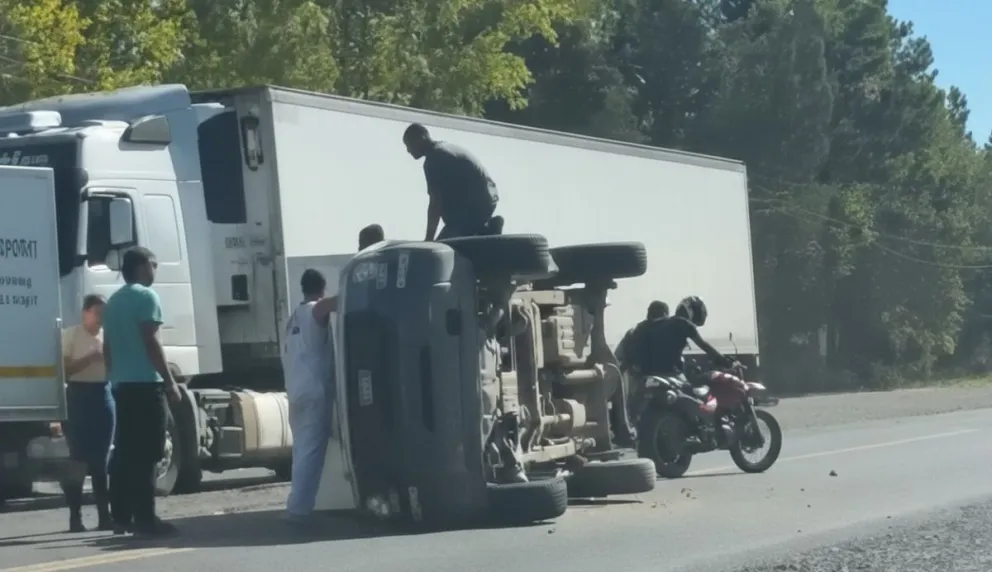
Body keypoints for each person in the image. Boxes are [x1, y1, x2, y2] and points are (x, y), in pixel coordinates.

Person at [103, 247, 182, 537]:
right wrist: (170, 381)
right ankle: (145, 519)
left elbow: (107, 346)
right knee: (149, 451)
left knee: (125, 452)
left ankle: (121, 516)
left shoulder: (113, 301)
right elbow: (150, 341)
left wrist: (113, 378)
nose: (155, 270)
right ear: (141, 267)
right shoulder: (147, 297)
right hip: (146, 386)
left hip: (122, 385)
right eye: (154, 264)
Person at [281, 269, 337, 522]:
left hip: (295, 391)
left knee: (302, 451)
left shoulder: (292, 318)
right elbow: (330, 305)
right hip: (314, 391)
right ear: (322, 287)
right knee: (311, 452)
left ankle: (297, 503)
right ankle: (299, 509)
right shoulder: (315, 310)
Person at [60, 294, 114, 532]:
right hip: (78, 396)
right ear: (86, 312)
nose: (102, 318)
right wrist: (91, 357)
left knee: (101, 460)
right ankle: (75, 517)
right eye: (98, 312)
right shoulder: (70, 335)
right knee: (79, 459)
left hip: (102, 395)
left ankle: (105, 516)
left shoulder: (108, 336)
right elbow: (64, 370)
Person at [402, 123, 499, 240]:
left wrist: (428, 240)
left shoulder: (434, 159)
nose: (408, 150)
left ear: (421, 138)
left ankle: (486, 231)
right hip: (486, 201)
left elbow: (435, 204)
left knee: (444, 247)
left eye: (409, 144)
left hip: (472, 211)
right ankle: (485, 229)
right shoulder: (446, 147)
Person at [629, 295, 735, 378]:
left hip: (644, 376)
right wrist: (726, 362)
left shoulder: (643, 326)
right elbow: (704, 345)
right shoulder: (682, 323)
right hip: (671, 374)